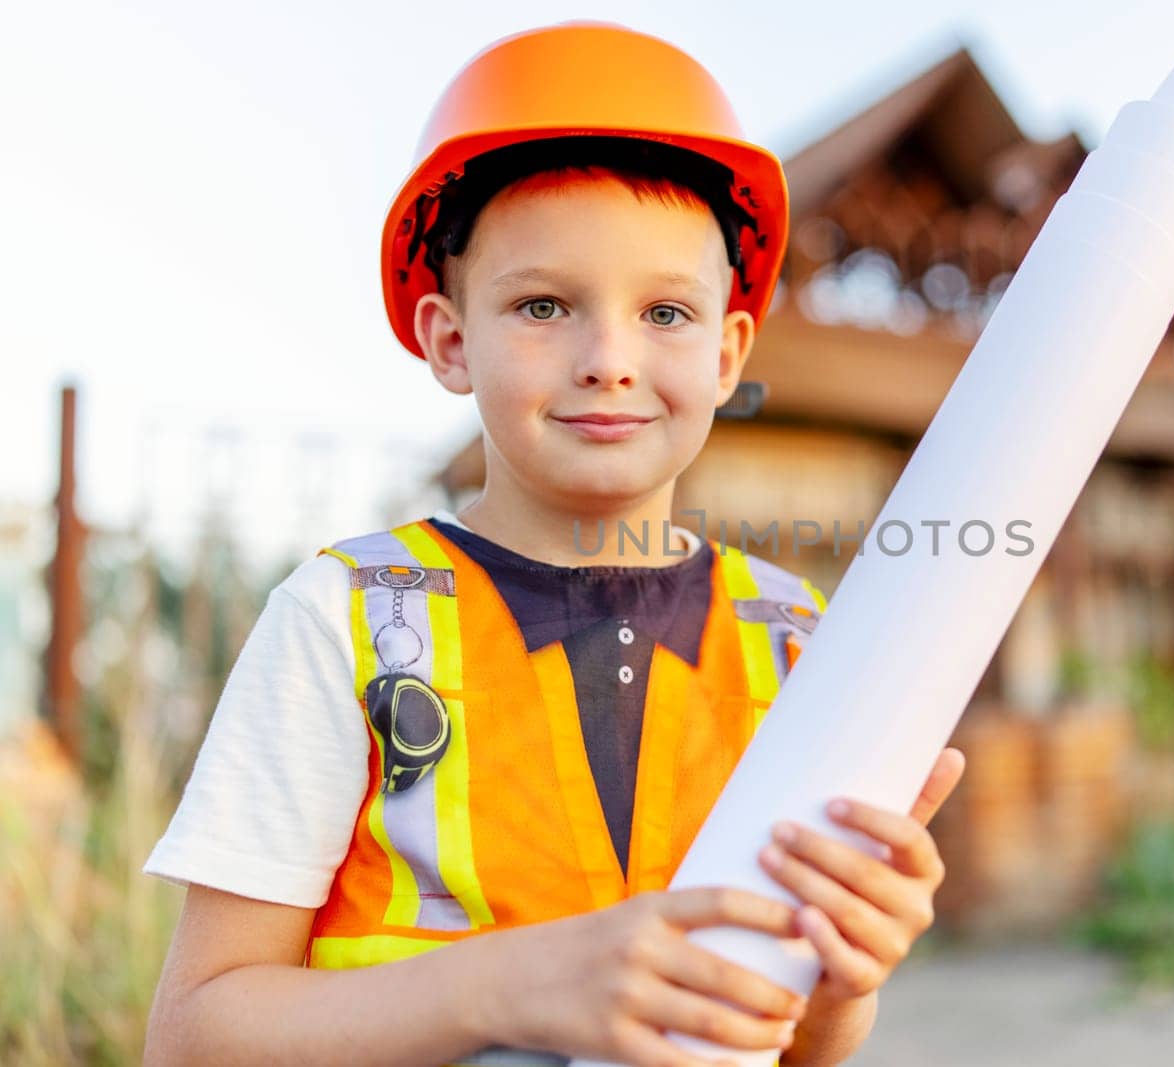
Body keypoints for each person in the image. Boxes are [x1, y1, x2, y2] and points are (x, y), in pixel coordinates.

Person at [141, 21, 967, 1067]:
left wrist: (844, 980)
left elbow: (799, 1045)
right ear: (450, 339)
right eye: (543, 304)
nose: (609, 360)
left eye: (665, 311)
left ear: (726, 354)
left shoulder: (797, 641)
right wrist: (509, 985)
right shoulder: (343, 618)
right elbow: (193, 1035)